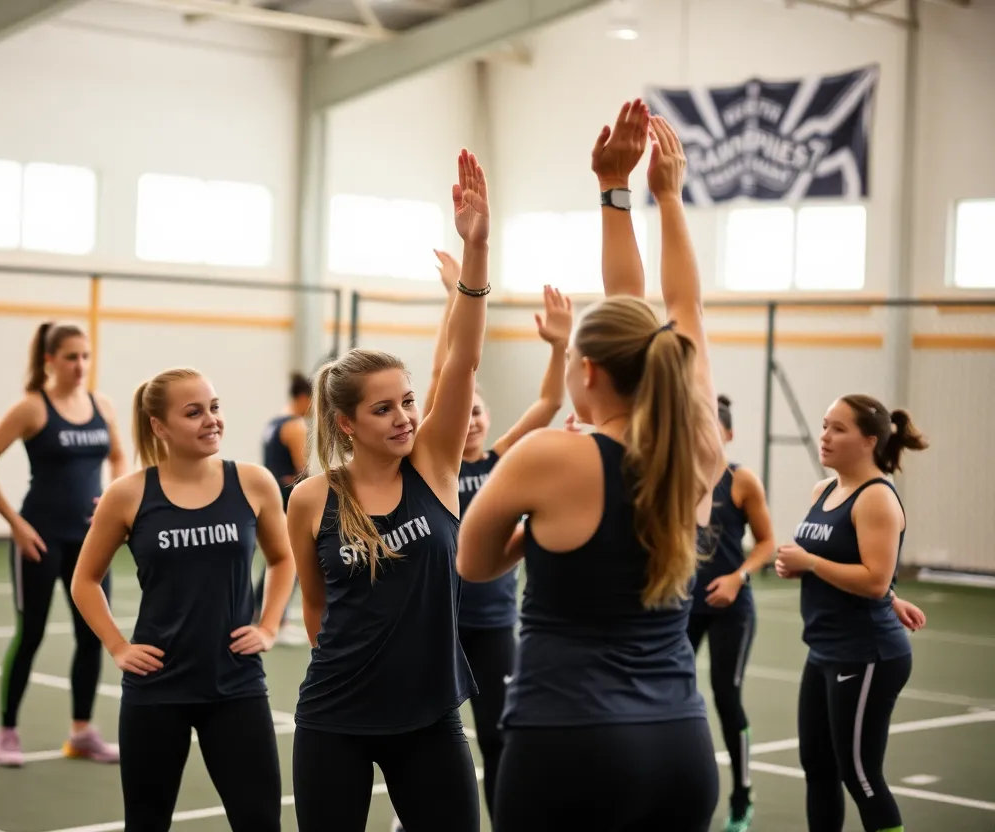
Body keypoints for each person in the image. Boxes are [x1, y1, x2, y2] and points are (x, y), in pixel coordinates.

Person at [456, 104, 723, 830]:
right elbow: (681, 308)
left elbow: (474, 563)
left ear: (590, 372)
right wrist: (664, 199)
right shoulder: (699, 449)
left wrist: (622, 190)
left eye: (571, 356)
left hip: (568, 740)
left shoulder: (550, 456)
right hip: (680, 742)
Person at [286, 149, 490, 832]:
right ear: (346, 422)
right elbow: (316, 611)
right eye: (384, 409)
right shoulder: (311, 499)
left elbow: (461, 360)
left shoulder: (433, 464)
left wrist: (477, 253)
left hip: (430, 718)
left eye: (407, 401)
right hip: (336, 718)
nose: (404, 417)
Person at [71, 367, 295, 832]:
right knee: (147, 824)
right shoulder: (128, 494)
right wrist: (118, 646)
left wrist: (269, 626)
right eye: (193, 412)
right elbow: (85, 580)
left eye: (214, 407)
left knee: (259, 823)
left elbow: (283, 559)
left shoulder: (253, 482)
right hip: (157, 688)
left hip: (236, 686)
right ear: (159, 426)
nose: (210, 420)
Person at [406, 253, 570, 827]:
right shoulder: (433, 466)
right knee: (424, 732)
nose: (470, 419)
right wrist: (457, 296)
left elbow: (550, 404)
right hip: (437, 620)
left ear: (491, 418)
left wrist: (557, 347)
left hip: (494, 622)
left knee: (499, 733)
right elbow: (445, 370)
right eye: (464, 411)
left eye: (479, 413)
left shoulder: (503, 458)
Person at [0, 322, 127, 766]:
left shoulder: (103, 406)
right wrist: (16, 523)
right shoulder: (32, 409)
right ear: (50, 361)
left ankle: (81, 732)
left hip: (89, 540)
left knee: (92, 634)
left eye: (86, 357)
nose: (80, 366)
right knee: (32, 633)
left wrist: (111, 503)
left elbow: (117, 456)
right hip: (40, 539)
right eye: (71, 357)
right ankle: (8, 730)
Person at [775, 394, 929, 832]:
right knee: (818, 768)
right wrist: (800, 566)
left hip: (866, 654)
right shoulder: (824, 489)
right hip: (824, 648)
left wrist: (810, 564)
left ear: (868, 441)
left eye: (837, 429)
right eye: (824, 425)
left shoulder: (876, 498)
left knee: (860, 776)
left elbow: (875, 579)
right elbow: (868, 571)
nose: (824, 436)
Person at [687, 394, 775, 832]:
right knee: (670, 695)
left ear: (728, 433)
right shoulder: (677, 478)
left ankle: (742, 796)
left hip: (729, 608)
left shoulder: (742, 481)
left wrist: (738, 577)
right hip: (681, 607)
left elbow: (766, 543)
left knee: (726, 696)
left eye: (713, 428)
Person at [252, 371, 312, 638]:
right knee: (293, 558)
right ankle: (278, 619)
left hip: (274, 497)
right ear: (302, 398)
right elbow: (304, 470)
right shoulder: (295, 425)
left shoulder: (273, 423)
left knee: (278, 558)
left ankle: (259, 612)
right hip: (289, 500)